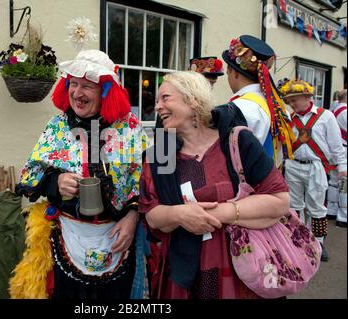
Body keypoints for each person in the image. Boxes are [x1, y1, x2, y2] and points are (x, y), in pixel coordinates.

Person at [9, 50, 150, 299]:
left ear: (105, 92)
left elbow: (145, 181)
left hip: (118, 238)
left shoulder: (129, 127)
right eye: (73, 84)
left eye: (87, 86)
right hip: (66, 237)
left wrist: (132, 216)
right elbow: (29, 173)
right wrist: (55, 181)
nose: (77, 93)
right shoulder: (57, 126)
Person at [139, 71, 290, 299]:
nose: (158, 106)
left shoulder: (237, 142)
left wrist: (221, 212)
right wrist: (180, 214)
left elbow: (280, 201)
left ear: (193, 101)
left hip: (242, 269)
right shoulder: (159, 155)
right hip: (185, 272)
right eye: (157, 100)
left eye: (165, 98)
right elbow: (151, 214)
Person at [278, 79, 346, 261]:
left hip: (315, 167)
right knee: (294, 206)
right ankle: (297, 239)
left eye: (295, 100)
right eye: (289, 101)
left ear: (308, 97)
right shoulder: (288, 119)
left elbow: (336, 145)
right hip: (292, 165)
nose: (291, 104)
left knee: (317, 207)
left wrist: (342, 167)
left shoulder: (326, 116)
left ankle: (319, 243)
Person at [221, 35, 295, 167]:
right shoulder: (280, 110)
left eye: (228, 72)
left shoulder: (237, 108)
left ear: (234, 72)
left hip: (243, 184)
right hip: (272, 181)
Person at [327, 89, 347, 227]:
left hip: (333, 150)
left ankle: (331, 210)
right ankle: (343, 216)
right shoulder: (345, 112)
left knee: (334, 182)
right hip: (343, 150)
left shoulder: (333, 110)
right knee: (344, 184)